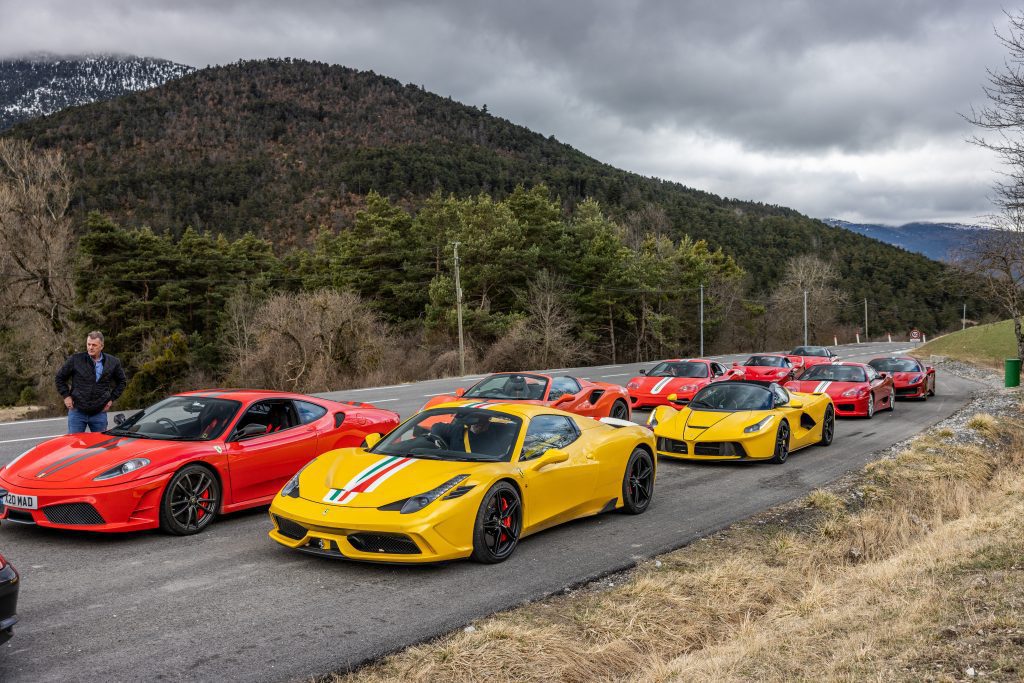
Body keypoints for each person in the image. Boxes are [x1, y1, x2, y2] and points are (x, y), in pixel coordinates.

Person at [55, 331, 127, 434]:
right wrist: (66, 396)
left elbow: (122, 381)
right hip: (77, 411)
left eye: (94, 345)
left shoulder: (113, 362)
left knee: (100, 445)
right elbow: (59, 378)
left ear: (101, 346)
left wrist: (111, 399)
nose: (90, 347)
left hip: (99, 412)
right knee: (75, 446)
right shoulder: (76, 359)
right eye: (88, 344)